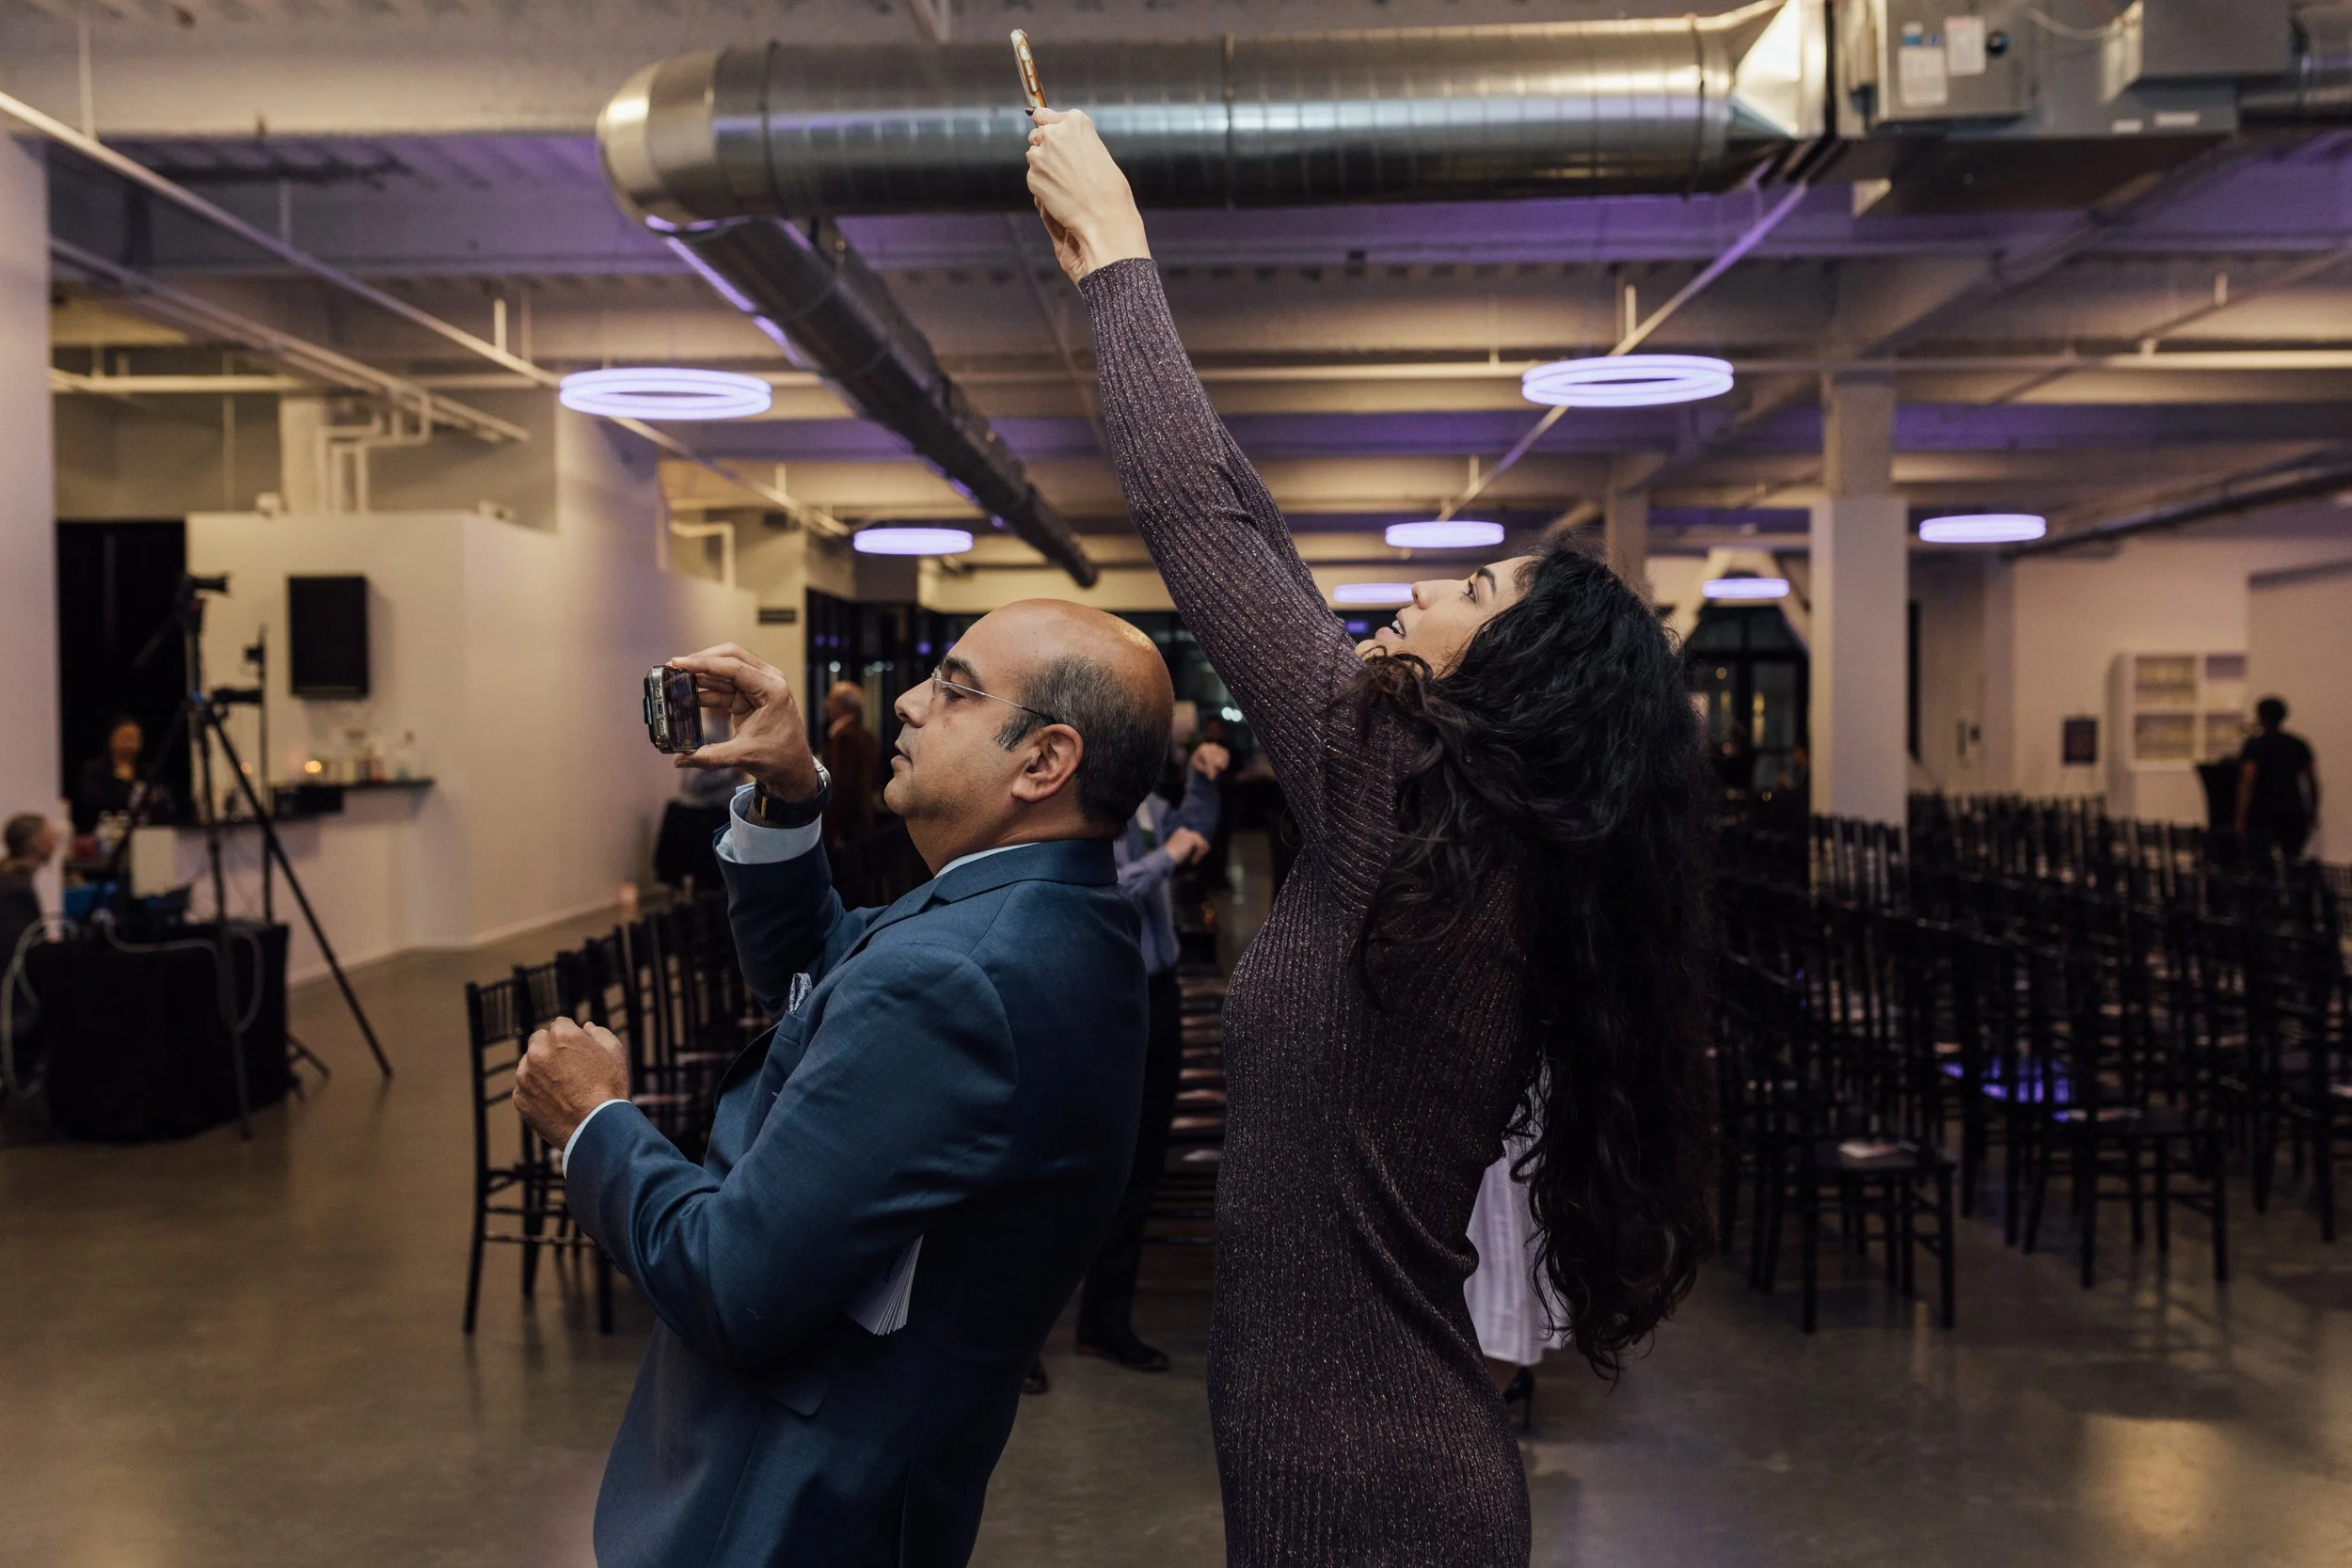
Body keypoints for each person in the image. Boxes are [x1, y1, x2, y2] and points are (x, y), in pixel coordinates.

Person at [1029, 113, 1716, 1566]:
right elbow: (1261, 541)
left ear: (1513, 677)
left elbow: (1202, 531)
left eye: (1468, 589)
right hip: (1380, 1463)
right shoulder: (1461, 838)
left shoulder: (1402, 800)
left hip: (1368, 1491)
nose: (1419, 593)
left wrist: (1120, 258)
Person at [513, 602, 1172, 1568]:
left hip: (780, 1507)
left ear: (1043, 761)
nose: (907, 701)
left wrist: (594, 1121)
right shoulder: (1039, 908)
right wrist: (789, 791)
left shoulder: (964, 970)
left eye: (953, 688)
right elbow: (828, 968)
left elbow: (727, 1280)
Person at [1076, 734, 1229, 1372]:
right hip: (1103, 997)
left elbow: (1192, 830)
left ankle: (1107, 1319)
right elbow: (1105, 892)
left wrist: (1202, 779)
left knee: (1144, 1162)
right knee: (1076, 1166)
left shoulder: (1145, 803)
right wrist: (1166, 858)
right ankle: (1019, 1334)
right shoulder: (1087, 807)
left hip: (1157, 992)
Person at [1, 814, 56, 1089]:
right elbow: (24, 948)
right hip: (16, 1002)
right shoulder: (15, 888)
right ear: (39, 843)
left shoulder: (10, 879)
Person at [2237, 696, 2319, 863]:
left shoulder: (2254, 745)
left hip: (2261, 812)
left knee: (2259, 865)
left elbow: (2248, 781)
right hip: (2292, 810)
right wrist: (2313, 810)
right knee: (2292, 862)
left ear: (2260, 717)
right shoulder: (2298, 744)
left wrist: (2240, 816)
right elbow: (2312, 781)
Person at [72, 716, 170, 835]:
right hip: (105, 832)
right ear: (111, 739)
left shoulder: (148, 771)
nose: (131, 742)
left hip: (146, 832)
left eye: (135, 738)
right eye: (125, 737)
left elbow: (161, 801)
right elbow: (92, 803)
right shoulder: (95, 770)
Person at [820, 680, 882, 848]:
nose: (826, 705)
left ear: (842, 705)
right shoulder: (867, 736)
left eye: (831, 700)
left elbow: (840, 783)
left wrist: (835, 827)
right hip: (864, 817)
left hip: (845, 823)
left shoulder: (843, 738)